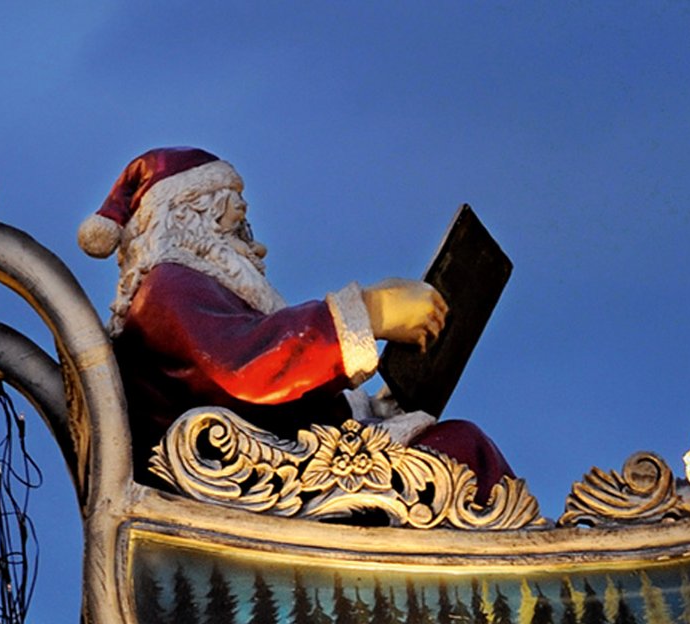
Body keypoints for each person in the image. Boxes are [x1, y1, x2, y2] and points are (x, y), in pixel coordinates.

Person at [76, 147, 513, 497]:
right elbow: (247, 367)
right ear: (189, 215)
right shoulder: (169, 287)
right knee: (458, 453)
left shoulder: (192, 288)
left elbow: (270, 395)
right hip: (244, 485)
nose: (254, 243)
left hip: (273, 469)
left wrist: (375, 410)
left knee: (457, 446)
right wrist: (371, 311)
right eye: (236, 223)